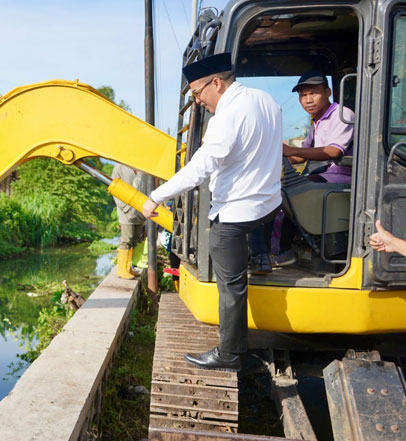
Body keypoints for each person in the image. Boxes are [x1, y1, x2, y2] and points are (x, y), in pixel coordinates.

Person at [142, 53, 282, 372]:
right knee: (242, 271)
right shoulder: (267, 101)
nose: (199, 101)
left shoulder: (227, 115)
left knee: (231, 286)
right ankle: (261, 259)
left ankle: (229, 354)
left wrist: (156, 196)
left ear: (216, 82)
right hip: (268, 206)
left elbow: (199, 169)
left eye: (197, 93)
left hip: (235, 213)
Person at [273, 70, 355, 266]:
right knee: (275, 191)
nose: (308, 100)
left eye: (314, 93)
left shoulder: (342, 114)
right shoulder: (316, 123)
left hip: (338, 177)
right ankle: (281, 249)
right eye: (303, 95)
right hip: (322, 176)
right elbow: (299, 155)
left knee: (293, 194)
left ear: (328, 92)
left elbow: (334, 152)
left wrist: (290, 150)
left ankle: (283, 251)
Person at [112, 162, 146, 279]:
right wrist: (125, 208)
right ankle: (121, 269)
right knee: (127, 239)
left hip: (140, 211)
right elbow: (114, 190)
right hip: (126, 211)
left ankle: (128, 268)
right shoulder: (119, 168)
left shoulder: (144, 168)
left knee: (135, 240)